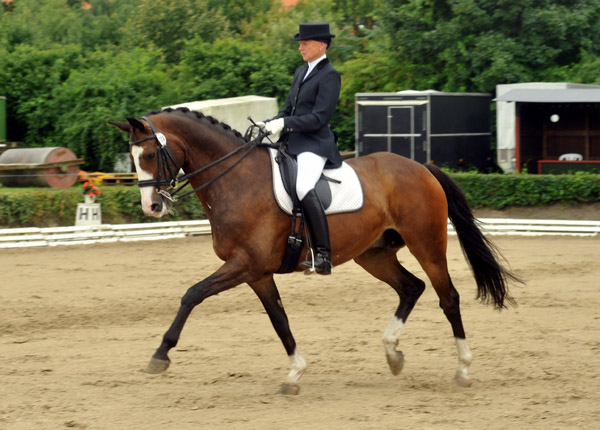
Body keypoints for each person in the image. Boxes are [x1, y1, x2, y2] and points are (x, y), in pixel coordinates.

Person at [258, 22, 343, 275]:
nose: (300, 47)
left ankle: (324, 255)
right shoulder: (300, 72)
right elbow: (288, 110)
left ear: (321, 45)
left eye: (305, 43)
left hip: (315, 144)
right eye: (300, 43)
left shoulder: (330, 75)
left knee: (303, 186)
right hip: (291, 142)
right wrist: (270, 123)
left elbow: (319, 118)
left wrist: (284, 123)